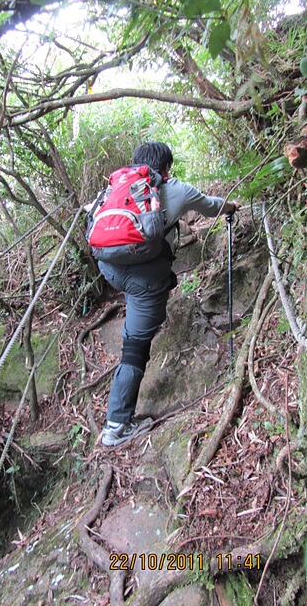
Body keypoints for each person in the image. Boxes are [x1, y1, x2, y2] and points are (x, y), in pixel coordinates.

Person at [97, 141, 238, 447]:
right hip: (144, 277)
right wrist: (231, 207)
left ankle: (138, 306)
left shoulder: (116, 189)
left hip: (109, 268)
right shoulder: (176, 190)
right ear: (166, 167)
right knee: (135, 347)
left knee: (138, 295)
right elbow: (213, 206)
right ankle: (116, 427)